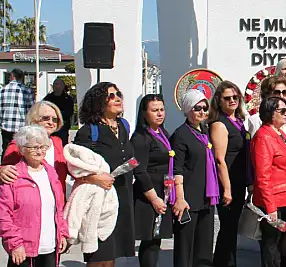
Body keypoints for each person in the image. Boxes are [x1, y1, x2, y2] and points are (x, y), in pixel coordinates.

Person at [73, 82, 136, 266]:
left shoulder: (123, 126)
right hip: (100, 202)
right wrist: (94, 178)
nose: (117, 98)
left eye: (118, 94)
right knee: (100, 256)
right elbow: (74, 167)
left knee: (113, 255)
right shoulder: (88, 132)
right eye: (111, 96)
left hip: (122, 197)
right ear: (99, 103)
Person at [0, 125, 69, 267]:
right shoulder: (13, 175)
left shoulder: (51, 172)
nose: (40, 151)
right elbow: (4, 214)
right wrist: (14, 244)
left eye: (43, 147)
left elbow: (58, 208)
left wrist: (62, 233)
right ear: (22, 149)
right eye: (34, 147)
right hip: (23, 249)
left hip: (50, 246)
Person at [252, 96, 286, 267]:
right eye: (282, 111)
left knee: (280, 246)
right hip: (275, 201)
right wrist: (271, 208)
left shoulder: (280, 133)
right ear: (270, 113)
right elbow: (263, 175)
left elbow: (283, 162)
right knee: (271, 247)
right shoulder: (264, 136)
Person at [170, 89, 218, 267]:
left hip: (206, 198)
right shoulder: (181, 134)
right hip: (188, 199)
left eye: (205, 108)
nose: (202, 112)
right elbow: (177, 169)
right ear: (188, 109)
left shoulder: (205, 131)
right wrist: (180, 198)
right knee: (186, 249)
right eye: (198, 108)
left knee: (204, 248)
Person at [209, 81, 250, 267]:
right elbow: (219, 159)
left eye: (235, 97)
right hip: (228, 184)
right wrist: (227, 189)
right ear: (219, 101)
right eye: (227, 98)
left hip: (239, 182)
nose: (232, 100)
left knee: (231, 229)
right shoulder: (219, 124)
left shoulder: (239, 121)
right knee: (227, 229)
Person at [130, 94, 174, 267]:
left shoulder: (163, 132)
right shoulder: (141, 138)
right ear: (144, 113)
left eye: (162, 109)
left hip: (164, 192)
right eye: (154, 110)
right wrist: (154, 198)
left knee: (156, 241)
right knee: (149, 241)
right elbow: (139, 170)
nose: (160, 114)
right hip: (149, 195)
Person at [1, 101, 69, 197]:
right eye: (46, 118)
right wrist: (2, 171)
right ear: (34, 120)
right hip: (29, 202)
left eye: (55, 120)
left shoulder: (57, 142)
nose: (51, 122)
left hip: (57, 202)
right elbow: (4, 169)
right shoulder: (20, 143)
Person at [248, 77, 286, 150]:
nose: (281, 96)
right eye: (276, 92)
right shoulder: (255, 120)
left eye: (284, 92)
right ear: (267, 94)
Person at [0, 69, 34, 158]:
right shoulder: (27, 90)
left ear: (12, 76)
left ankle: (4, 169)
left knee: (6, 149)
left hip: (6, 125)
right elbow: (31, 109)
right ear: (22, 77)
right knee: (21, 151)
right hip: (22, 126)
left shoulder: (3, 90)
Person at [43, 78, 74, 146]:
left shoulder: (68, 99)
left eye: (57, 84)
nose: (55, 86)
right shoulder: (48, 98)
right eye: (54, 84)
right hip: (50, 127)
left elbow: (68, 113)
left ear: (62, 86)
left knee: (61, 146)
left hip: (62, 128)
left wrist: (56, 114)